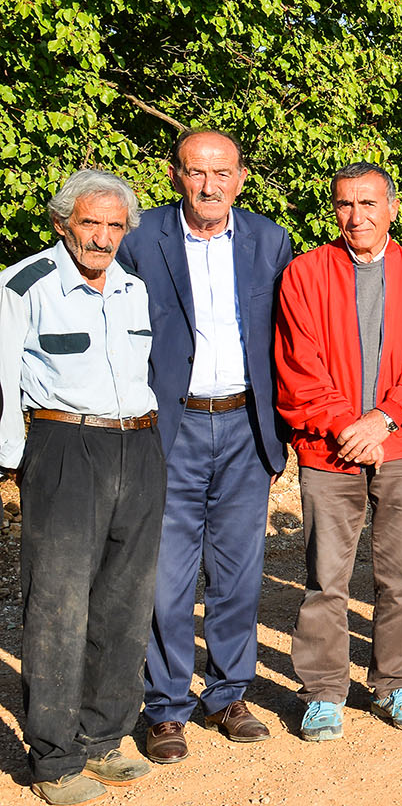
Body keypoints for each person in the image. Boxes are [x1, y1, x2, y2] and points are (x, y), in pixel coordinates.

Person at [117, 130, 292, 764]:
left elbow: (286, 339)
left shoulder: (269, 241)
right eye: (196, 172)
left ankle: (228, 695)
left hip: (246, 425)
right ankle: (165, 708)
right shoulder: (141, 240)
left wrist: (284, 430)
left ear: (241, 178)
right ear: (176, 176)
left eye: (221, 172)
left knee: (238, 573)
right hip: (172, 427)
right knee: (166, 575)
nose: (209, 184)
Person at [0, 170, 164, 806]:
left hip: (138, 446)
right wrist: (15, 462)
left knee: (125, 600)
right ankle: (54, 755)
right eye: (89, 223)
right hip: (65, 448)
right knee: (58, 605)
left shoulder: (133, 289)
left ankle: (102, 737)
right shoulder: (24, 285)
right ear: (63, 223)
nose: (100, 237)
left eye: (113, 225)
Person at [275, 162, 402, 741]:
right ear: (335, 210)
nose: (358, 216)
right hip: (329, 448)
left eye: (369, 203)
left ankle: (397, 683)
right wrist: (346, 426)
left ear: (392, 208)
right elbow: (298, 364)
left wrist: (381, 420)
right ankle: (324, 691)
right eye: (346, 204)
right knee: (327, 575)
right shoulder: (304, 274)